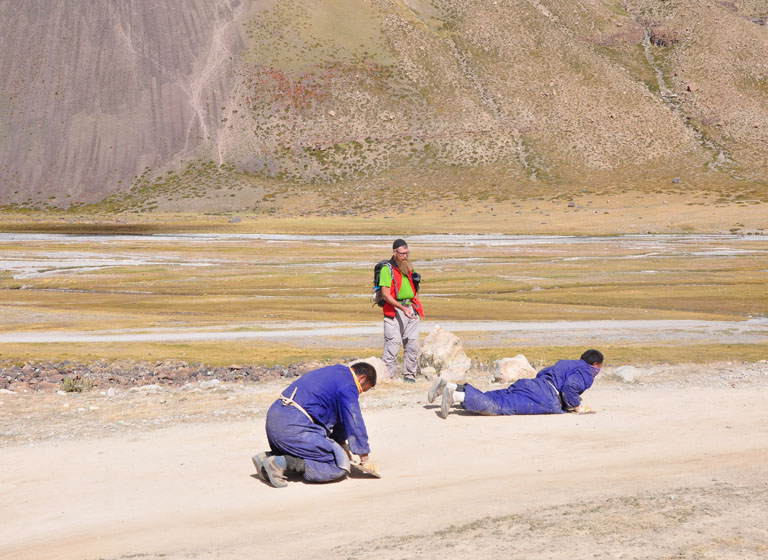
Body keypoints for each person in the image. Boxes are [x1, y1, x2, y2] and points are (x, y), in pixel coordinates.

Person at [252, 361, 378, 488]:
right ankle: (279, 463)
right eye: (364, 389)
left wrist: (341, 446)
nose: (360, 393)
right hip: (293, 427)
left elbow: (343, 419)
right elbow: (354, 420)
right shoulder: (349, 384)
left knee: (329, 452)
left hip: (276, 420)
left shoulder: (336, 373)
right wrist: (364, 459)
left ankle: (266, 458)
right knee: (338, 464)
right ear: (362, 378)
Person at [428, 349, 604, 419]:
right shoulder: (587, 372)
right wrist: (577, 405)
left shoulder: (568, 363)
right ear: (595, 365)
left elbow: (543, 373)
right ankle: (457, 396)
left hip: (534, 383)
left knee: (498, 395)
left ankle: (450, 386)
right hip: (546, 396)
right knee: (501, 406)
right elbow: (570, 388)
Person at [379, 238, 424, 383]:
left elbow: (415, 287)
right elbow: (385, 294)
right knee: (392, 346)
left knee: (412, 345)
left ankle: (409, 377)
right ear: (394, 252)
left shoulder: (409, 268)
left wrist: (412, 303)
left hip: (411, 309)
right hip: (394, 310)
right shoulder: (387, 270)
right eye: (402, 253)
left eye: (407, 253)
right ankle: (388, 379)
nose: (405, 256)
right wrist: (402, 308)